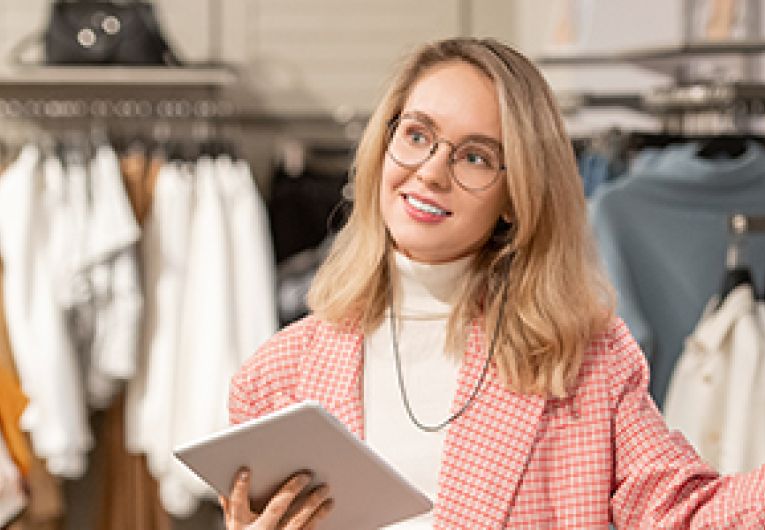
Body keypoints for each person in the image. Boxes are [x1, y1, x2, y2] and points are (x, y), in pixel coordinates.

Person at [220, 37, 765, 529]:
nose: (431, 171)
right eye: (417, 135)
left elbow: (684, 512)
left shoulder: (584, 363)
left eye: (475, 157)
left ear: (514, 198)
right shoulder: (275, 380)